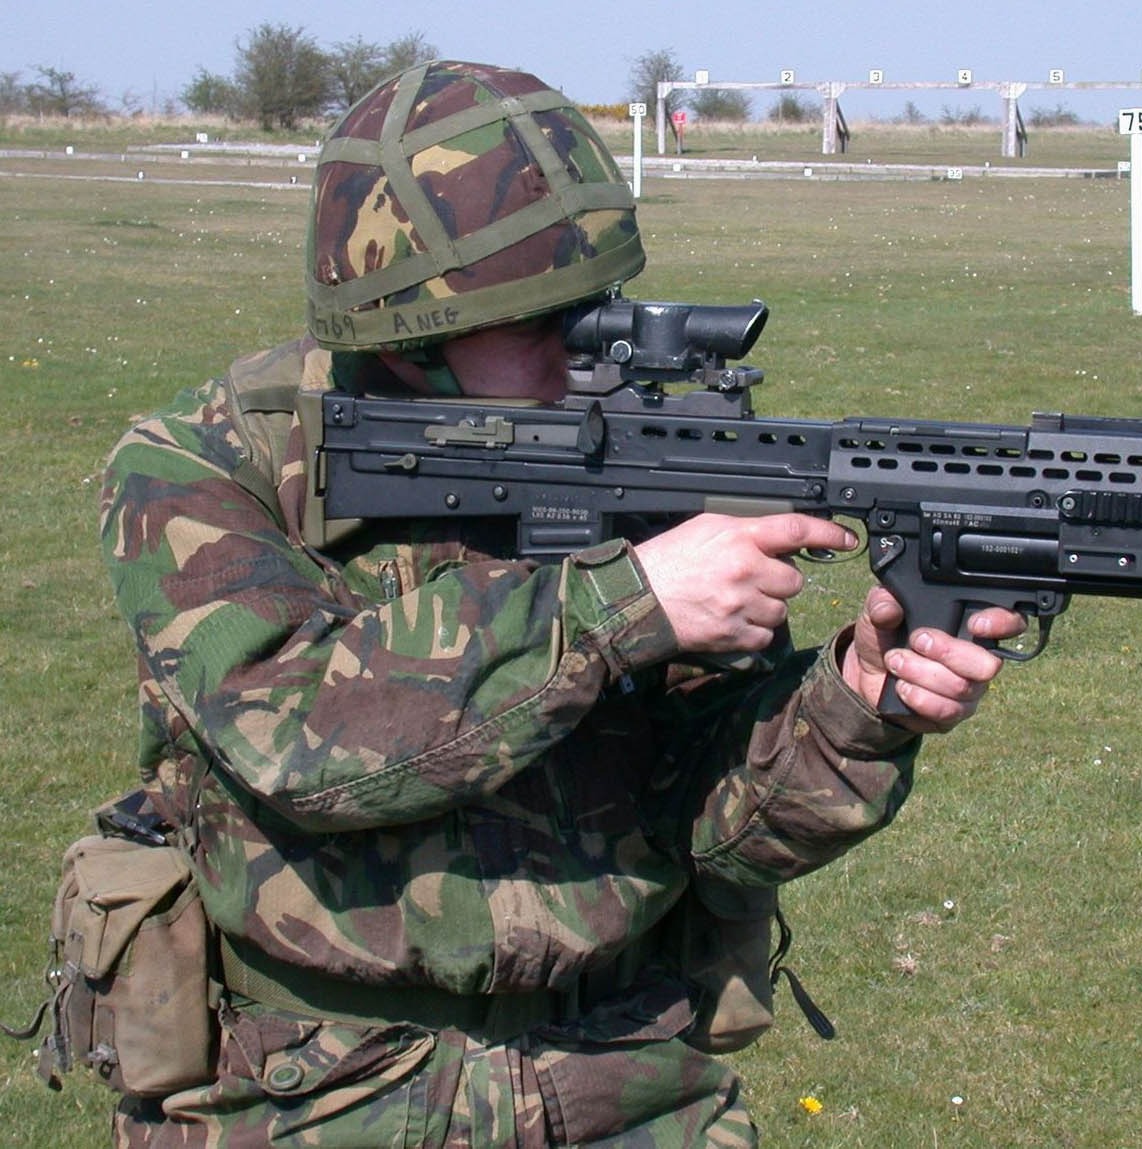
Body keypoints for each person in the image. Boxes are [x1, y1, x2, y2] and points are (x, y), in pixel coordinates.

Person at [99, 60, 1024, 1147]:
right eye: (542, 323)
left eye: (596, 307)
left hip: (625, 1076)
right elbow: (293, 736)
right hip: (307, 1092)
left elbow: (719, 831)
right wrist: (627, 603)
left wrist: (852, 705)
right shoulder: (205, 465)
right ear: (407, 335)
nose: (587, 351)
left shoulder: (636, 459)